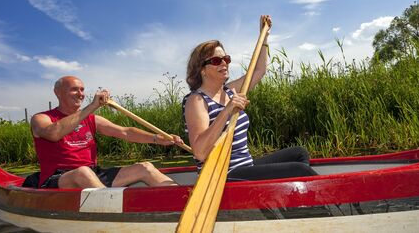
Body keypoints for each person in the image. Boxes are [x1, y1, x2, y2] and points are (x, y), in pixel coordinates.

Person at [182, 15, 317, 181]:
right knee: (299, 170)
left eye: (226, 59)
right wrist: (227, 111)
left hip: (246, 167)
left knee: (299, 153)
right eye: (217, 60)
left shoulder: (230, 90)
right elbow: (200, 152)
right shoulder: (196, 101)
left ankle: (291, 200)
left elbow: (259, 71)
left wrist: (264, 36)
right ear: (202, 69)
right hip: (223, 175)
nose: (224, 63)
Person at [29, 75, 183, 189]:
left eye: (82, 90)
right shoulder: (41, 118)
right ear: (58, 93)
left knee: (145, 168)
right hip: (58, 179)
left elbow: (125, 132)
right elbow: (53, 134)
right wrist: (91, 106)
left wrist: (157, 138)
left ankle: (181, 202)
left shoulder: (92, 119)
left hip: (93, 174)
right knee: (82, 173)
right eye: (74, 89)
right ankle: (114, 212)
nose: (80, 94)